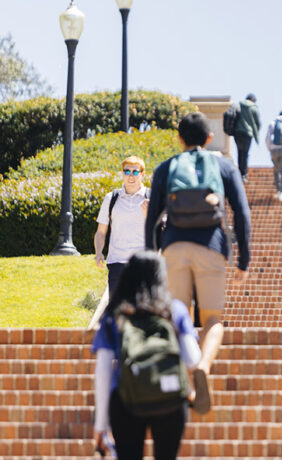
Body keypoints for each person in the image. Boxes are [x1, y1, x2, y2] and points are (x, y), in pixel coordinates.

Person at [145, 112, 251, 414]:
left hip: (174, 247)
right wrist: (244, 259)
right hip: (212, 248)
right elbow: (242, 213)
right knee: (213, 319)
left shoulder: (167, 168)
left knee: (179, 318)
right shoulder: (224, 166)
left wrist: (152, 260)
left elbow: (152, 219)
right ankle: (203, 364)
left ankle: (187, 383)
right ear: (208, 138)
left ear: (179, 139)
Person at [92, 251, 202, 460]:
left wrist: (101, 424)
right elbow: (193, 358)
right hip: (170, 397)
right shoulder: (174, 310)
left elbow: (103, 371)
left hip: (125, 398)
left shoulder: (114, 314)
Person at [94, 156, 150, 296]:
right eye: (127, 171)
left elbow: (161, 229)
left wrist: (150, 215)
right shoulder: (111, 198)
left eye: (135, 172)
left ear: (143, 174)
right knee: (118, 313)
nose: (131, 176)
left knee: (142, 311)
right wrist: (99, 252)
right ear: (122, 173)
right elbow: (101, 232)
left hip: (143, 262)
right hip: (117, 263)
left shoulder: (152, 197)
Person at [232, 93, 261, 183]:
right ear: (252, 100)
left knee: (239, 152)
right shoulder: (254, 108)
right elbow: (258, 123)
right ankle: (243, 174)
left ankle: (240, 172)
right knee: (245, 153)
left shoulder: (239, 105)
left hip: (237, 132)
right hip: (247, 133)